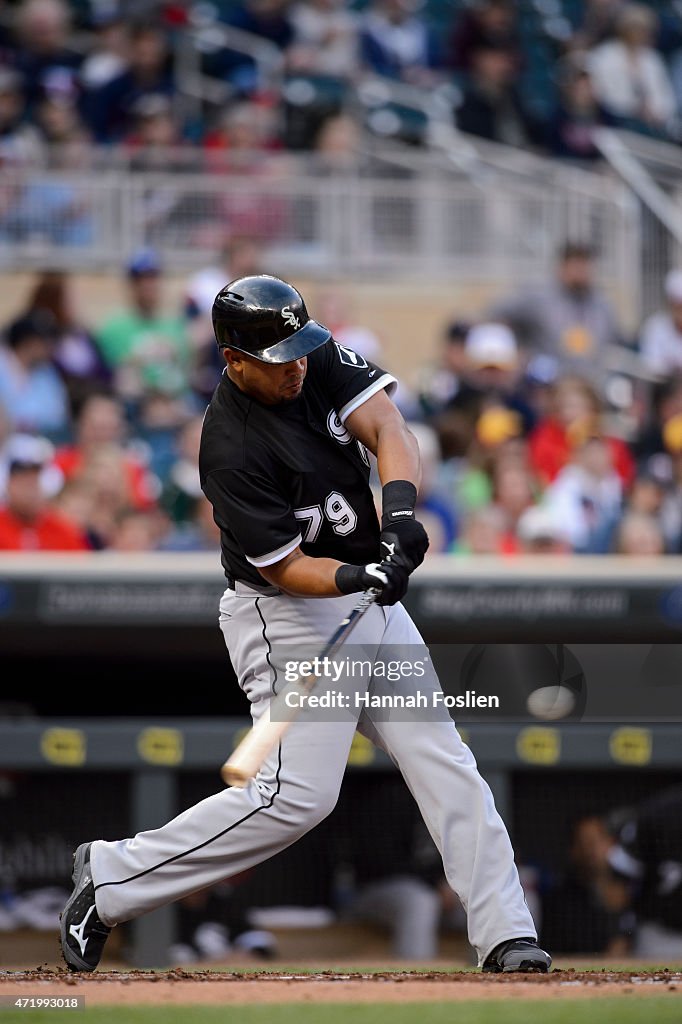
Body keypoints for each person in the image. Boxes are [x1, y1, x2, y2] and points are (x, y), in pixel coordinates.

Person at [59, 274, 552, 976]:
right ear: (234, 361)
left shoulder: (308, 357)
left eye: (300, 349)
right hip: (286, 615)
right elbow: (288, 568)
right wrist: (358, 575)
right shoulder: (228, 447)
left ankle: (506, 936)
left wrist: (402, 514)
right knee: (294, 800)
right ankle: (108, 879)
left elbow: (387, 426)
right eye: (276, 358)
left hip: (367, 602)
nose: (295, 364)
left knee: (447, 764)